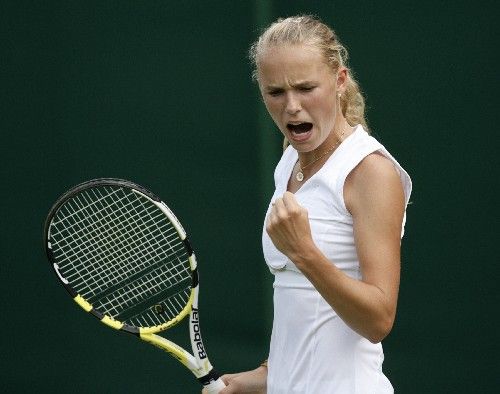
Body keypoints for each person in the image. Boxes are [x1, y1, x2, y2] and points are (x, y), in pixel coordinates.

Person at [206, 15, 412, 393]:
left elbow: (378, 319)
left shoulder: (371, 173)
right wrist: (262, 378)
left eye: (306, 88)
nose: (292, 107)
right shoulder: (289, 162)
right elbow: (301, 310)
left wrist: (304, 252)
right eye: (276, 92)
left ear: (339, 81)